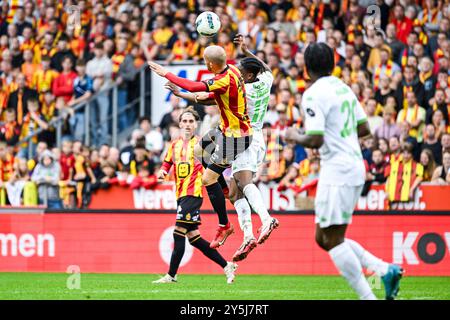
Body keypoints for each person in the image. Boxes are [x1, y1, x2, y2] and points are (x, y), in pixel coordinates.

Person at [285, 42, 402, 300]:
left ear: (306, 68)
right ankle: (385, 269)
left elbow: (314, 139)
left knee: (333, 239)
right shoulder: (344, 88)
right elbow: (364, 129)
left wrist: (295, 135)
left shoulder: (313, 93)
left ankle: (369, 294)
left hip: (338, 170)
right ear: (333, 64)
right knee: (323, 237)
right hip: (351, 166)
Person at [166, 34, 280, 262]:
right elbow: (266, 69)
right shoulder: (264, 81)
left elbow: (211, 98)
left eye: (240, 70)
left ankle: (266, 219)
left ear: (247, 75)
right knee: (233, 189)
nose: (235, 71)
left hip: (245, 134)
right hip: (255, 135)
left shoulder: (241, 89)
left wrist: (187, 95)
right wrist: (248, 52)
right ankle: (248, 234)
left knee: (244, 182)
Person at [148, 45, 253, 248]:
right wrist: (179, 95)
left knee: (206, 179)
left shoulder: (223, 79)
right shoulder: (232, 70)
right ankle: (223, 189)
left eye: (205, 61)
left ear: (210, 64)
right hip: (226, 129)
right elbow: (206, 99)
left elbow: (196, 88)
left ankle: (224, 225)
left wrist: (166, 73)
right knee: (198, 150)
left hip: (237, 137)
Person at [153, 107, 237, 284]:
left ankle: (171, 275)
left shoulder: (201, 145)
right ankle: (226, 265)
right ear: (179, 123)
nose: (187, 124)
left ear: (196, 124)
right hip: (180, 194)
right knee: (194, 238)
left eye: (191, 121)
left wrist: (224, 189)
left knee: (178, 232)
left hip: (194, 193)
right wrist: (162, 171)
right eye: (184, 121)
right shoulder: (174, 145)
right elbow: (167, 163)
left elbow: (214, 170)